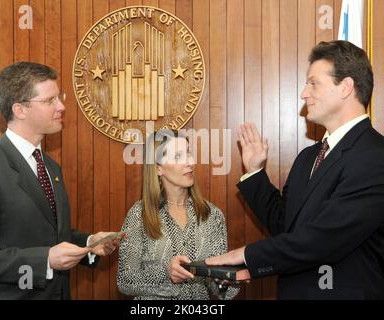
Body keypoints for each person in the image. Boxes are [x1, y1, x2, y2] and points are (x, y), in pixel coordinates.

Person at [206, 40, 384, 299]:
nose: (304, 93)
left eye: (314, 83)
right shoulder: (308, 157)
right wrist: (255, 172)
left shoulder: (375, 156)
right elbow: (287, 228)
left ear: (345, 87)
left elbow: (324, 240)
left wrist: (247, 255)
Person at [0, 62, 118, 300]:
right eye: (50, 100)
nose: (61, 106)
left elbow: (50, 234)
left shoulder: (50, 167)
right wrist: (45, 260)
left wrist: (90, 244)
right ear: (20, 110)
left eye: (58, 97)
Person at [117, 130, 239, 300]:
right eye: (178, 156)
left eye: (189, 153)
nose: (190, 162)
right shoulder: (139, 215)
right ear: (158, 168)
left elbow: (219, 288)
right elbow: (125, 280)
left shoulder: (212, 215)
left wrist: (230, 279)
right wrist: (166, 273)